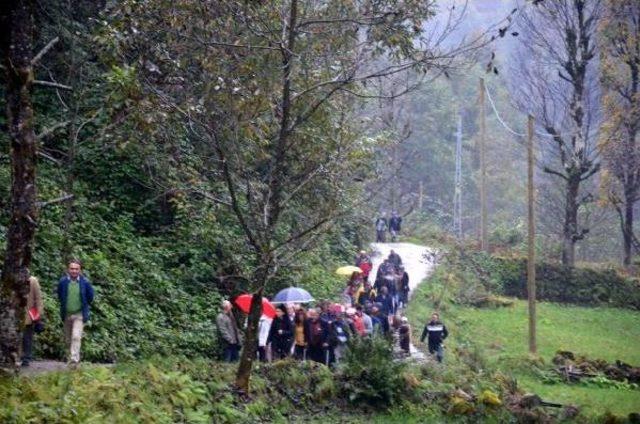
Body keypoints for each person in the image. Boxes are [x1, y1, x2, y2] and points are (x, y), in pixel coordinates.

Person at [57, 259, 94, 366]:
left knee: (76, 337)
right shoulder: (63, 282)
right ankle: (70, 359)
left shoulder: (85, 282)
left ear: (80, 270)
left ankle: (74, 361)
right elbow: (60, 295)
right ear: (68, 269)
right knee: (68, 339)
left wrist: (83, 307)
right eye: (72, 268)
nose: (74, 271)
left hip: (79, 314)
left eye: (76, 269)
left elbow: (90, 297)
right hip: (67, 313)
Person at [21, 276, 44, 367]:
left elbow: (38, 298)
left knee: (27, 337)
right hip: (14, 313)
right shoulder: (9, 278)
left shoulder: (32, 280)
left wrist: (39, 313)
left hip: (28, 313)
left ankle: (26, 357)